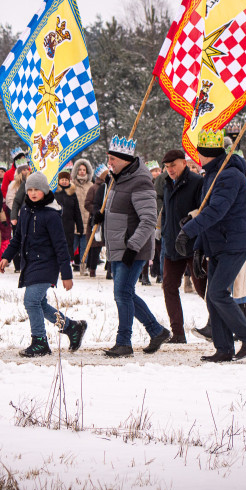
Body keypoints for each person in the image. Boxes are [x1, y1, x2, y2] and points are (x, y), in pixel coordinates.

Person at [175, 130, 246, 362]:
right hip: (219, 244)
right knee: (212, 295)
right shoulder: (212, 174)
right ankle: (223, 348)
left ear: (205, 155)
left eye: (199, 154)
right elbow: (206, 214)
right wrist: (199, 248)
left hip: (233, 242)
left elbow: (216, 212)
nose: (197, 158)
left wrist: (188, 232)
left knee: (217, 292)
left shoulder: (229, 175)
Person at [0, 171, 87, 356]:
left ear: (45, 190)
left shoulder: (51, 215)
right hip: (30, 264)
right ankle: (72, 328)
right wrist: (6, 257)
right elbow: (18, 238)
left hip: (47, 265)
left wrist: (67, 274)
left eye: (37, 189)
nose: (32, 193)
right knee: (40, 304)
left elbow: (61, 245)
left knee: (31, 301)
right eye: (29, 189)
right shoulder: (25, 211)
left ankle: (40, 342)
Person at [97, 136, 169, 358]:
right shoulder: (117, 178)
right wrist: (101, 217)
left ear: (125, 160)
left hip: (132, 248)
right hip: (119, 246)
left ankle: (124, 342)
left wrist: (133, 247)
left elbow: (148, 219)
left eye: (112, 159)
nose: (109, 163)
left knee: (123, 293)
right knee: (124, 293)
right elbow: (120, 211)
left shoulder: (140, 181)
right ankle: (156, 331)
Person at [159, 149, 206, 342]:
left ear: (184, 163)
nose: (170, 169)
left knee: (204, 289)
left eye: (173, 165)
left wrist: (197, 242)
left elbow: (202, 212)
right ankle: (178, 333)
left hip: (193, 245)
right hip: (171, 245)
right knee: (169, 287)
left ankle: (222, 324)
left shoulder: (197, 182)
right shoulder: (166, 183)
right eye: (167, 166)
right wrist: (164, 234)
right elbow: (167, 213)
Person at [53, 169, 83, 262]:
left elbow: (77, 211)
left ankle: (68, 261)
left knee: (68, 243)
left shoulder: (72, 193)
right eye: (62, 180)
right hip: (56, 224)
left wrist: (80, 226)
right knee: (56, 243)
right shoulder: (54, 192)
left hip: (69, 224)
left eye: (66, 180)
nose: (64, 181)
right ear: (58, 181)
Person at [71, 158, 95, 274]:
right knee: (72, 245)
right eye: (79, 169)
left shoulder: (91, 185)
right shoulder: (71, 185)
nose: (81, 172)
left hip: (87, 220)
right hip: (74, 220)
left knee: (85, 247)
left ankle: (83, 266)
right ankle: (65, 265)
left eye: (84, 170)